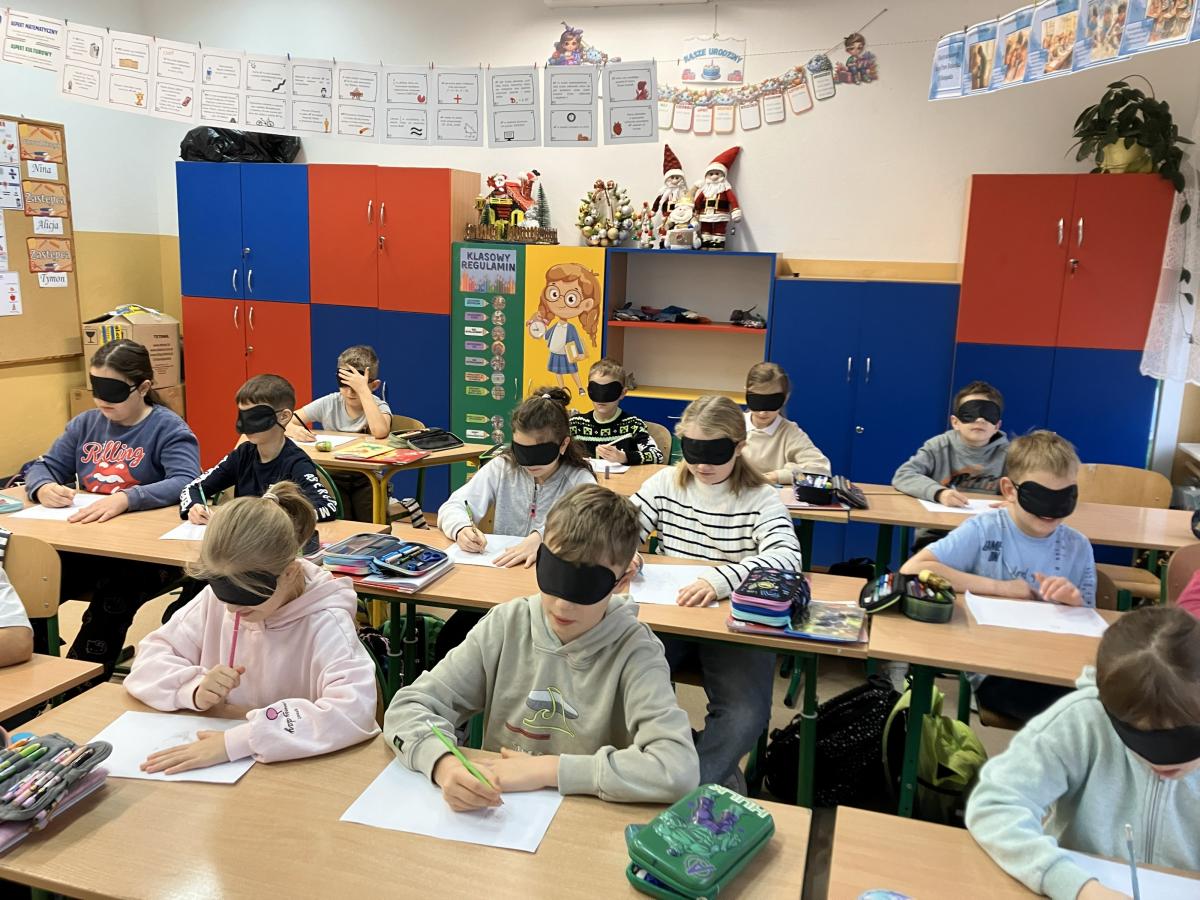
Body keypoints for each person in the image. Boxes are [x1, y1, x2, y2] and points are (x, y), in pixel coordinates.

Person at [385, 484, 699, 809]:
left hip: (584, 818)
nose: (563, 605)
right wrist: (444, 764)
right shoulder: (507, 624)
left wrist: (549, 770)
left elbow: (678, 769)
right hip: (497, 812)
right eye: (555, 575)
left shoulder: (636, 650)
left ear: (621, 582)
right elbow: (408, 707)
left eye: (586, 587)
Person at [124, 482, 379, 774]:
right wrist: (193, 688)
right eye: (223, 593)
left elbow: (352, 711)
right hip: (220, 760)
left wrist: (238, 742)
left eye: (246, 596)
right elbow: (150, 659)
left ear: (290, 573)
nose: (232, 610)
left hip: (294, 771)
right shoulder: (216, 602)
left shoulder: (326, 622)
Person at [966, 606, 1200, 900]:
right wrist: (1076, 886)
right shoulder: (1082, 722)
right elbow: (995, 803)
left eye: (1182, 740)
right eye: (1144, 738)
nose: (1162, 760)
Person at [630, 395, 802, 789]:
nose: (703, 465)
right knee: (626, 686)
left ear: (740, 447)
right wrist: (625, 554)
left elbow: (787, 557)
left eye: (715, 453)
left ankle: (690, 786)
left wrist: (719, 580)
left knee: (744, 714)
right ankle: (687, 765)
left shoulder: (761, 498)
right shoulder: (664, 483)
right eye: (693, 451)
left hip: (733, 622)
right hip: (670, 614)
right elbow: (622, 529)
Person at [24, 338, 200, 676]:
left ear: (143, 387)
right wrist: (43, 486)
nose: (102, 399)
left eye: (113, 391)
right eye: (97, 388)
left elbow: (186, 480)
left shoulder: (168, 428)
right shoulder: (85, 424)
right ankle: (36, 674)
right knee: (32, 580)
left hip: (144, 556)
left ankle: (78, 681)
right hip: (87, 545)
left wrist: (128, 498)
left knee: (113, 598)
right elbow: (45, 465)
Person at [901, 430, 1096, 723]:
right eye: (1040, 496)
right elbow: (913, 569)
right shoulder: (985, 529)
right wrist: (1001, 588)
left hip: (1062, 668)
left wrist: (1075, 602)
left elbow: (1091, 626)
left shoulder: (1078, 546)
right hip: (997, 670)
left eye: (1064, 497)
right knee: (1079, 716)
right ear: (1009, 490)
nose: (1051, 510)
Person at [434, 388, 596, 657]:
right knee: (450, 643)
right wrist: (461, 528)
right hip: (498, 588)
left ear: (563, 444)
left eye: (540, 452)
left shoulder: (579, 480)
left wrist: (542, 538)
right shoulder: (503, 468)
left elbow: (589, 525)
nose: (530, 463)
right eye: (522, 451)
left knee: (528, 655)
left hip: (553, 597)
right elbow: (453, 506)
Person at [180, 374, 337, 527]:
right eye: (243, 415)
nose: (246, 424)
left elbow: (327, 506)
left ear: (283, 417)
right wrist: (195, 507)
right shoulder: (242, 455)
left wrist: (281, 517)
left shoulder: (296, 463)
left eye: (255, 417)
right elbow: (193, 488)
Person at [287, 345, 392, 522]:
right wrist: (294, 429)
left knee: (370, 522)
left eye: (356, 387)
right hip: (332, 477)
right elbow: (284, 421)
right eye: (344, 385)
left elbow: (380, 432)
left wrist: (364, 391)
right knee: (339, 521)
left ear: (374, 385)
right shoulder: (329, 403)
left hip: (367, 480)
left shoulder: (378, 406)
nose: (350, 392)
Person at [893, 380, 1009, 507]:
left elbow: (1022, 488)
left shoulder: (1010, 454)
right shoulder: (938, 446)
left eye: (989, 414)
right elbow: (903, 475)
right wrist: (939, 493)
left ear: (997, 426)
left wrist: (1015, 504)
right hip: (938, 518)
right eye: (970, 412)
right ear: (955, 422)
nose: (980, 419)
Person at [741, 362, 831, 483]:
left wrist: (778, 476)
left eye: (772, 402)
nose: (762, 412)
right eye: (756, 401)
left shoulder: (790, 433)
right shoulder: (732, 426)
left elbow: (822, 472)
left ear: (785, 398)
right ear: (746, 394)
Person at [569, 358, 663, 466]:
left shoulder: (632, 425)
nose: (601, 398)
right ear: (589, 390)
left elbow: (657, 456)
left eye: (609, 391)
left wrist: (624, 457)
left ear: (623, 393)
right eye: (596, 390)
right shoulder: (576, 424)